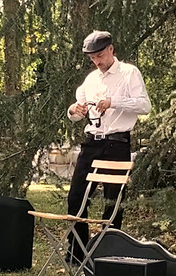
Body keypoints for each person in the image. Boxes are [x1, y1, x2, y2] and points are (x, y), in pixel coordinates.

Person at [65, 31, 151, 263]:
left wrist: (114, 102)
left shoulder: (129, 73)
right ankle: (77, 251)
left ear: (111, 50)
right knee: (76, 197)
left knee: (113, 200)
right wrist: (75, 110)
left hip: (117, 142)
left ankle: (107, 252)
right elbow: (76, 109)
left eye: (100, 56)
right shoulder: (91, 79)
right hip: (92, 142)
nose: (97, 62)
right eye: (92, 58)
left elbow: (144, 105)